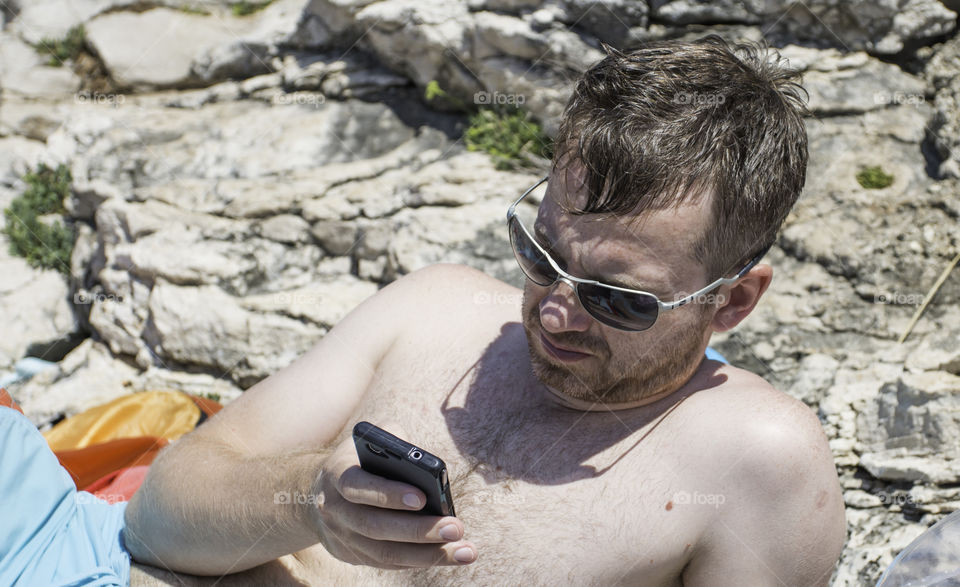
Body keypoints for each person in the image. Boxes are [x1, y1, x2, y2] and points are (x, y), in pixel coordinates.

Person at [123, 35, 847, 586]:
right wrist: (310, 500)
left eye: (615, 296)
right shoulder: (436, 310)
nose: (557, 314)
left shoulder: (758, 459)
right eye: (541, 254)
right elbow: (155, 517)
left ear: (734, 301)